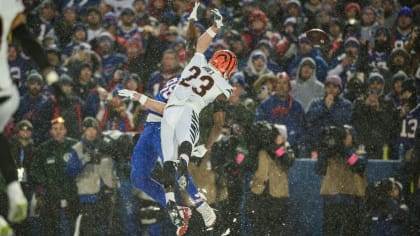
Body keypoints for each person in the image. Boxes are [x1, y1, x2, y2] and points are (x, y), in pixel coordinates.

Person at [159, 6, 236, 231]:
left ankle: (179, 210)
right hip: (197, 141)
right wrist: (207, 146)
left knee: (176, 183)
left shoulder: (198, 63)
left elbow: (194, 44)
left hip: (173, 119)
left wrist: (202, 24)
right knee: (205, 196)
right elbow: (219, 122)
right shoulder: (224, 89)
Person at [0, 0, 62, 234]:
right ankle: (14, 190)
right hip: (6, 92)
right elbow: (29, 42)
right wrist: (51, 77)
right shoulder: (7, 6)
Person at [30, 117, 79, 236]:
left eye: (61, 129)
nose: (58, 131)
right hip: (51, 195)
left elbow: (84, 167)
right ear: (51, 131)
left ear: (66, 130)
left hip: (71, 193)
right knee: (50, 227)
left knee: (72, 225)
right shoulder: (43, 148)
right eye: (55, 129)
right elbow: (35, 170)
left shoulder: (75, 145)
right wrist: (46, 183)